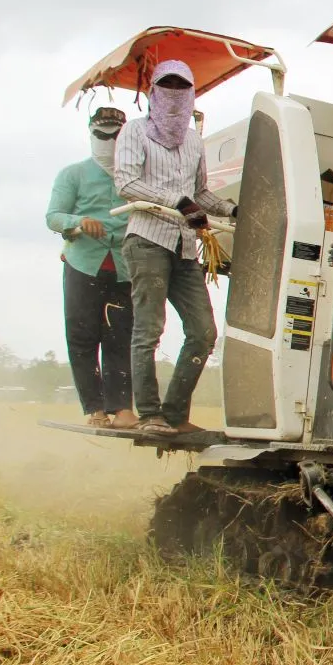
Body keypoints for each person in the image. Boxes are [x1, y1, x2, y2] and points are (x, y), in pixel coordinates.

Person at [113, 60, 237, 436]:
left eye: (181, 88)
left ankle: (174, 413)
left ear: (191, 95)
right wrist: (177, 202)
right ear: (152, 92)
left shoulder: (195, 141)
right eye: (165, 86)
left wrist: (232, 209)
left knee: (203, 331)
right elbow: (126, 182)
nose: (173, 95)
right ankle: (149, 414)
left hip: (184, 247)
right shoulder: (135, 132)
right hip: (147, 239)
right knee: (148, 330)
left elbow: (200, 193)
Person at [45, 106, 137, 429]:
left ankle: (123, 409)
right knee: (83, 336)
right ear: (91, 134)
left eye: (116, 135)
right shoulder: (73, 175)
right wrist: (79, 223)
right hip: (82, 263)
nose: (108, 141)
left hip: (125, 267)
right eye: (101, 134)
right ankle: (94, 409)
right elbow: (53, 216)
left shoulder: (135, 177)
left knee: (120, 335)